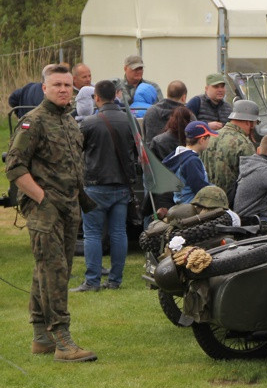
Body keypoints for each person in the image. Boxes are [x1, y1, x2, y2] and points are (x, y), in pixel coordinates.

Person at [5, 64, 97, 362]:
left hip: (70, 208)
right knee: (54, 272)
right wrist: (41, 198)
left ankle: (41, 337)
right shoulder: (34, 122)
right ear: (44, 88)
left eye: (67, 85)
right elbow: (14, 167)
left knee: (49, 269)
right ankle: (62, 340)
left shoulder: (69, 122)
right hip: (45, 210)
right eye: (56, 84)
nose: (62, 89)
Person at [71, 80, 138, 293]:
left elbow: (77, 152)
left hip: (95, 184)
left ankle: (92, 281)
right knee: (119, 232)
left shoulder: (89, 123)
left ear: (96, 98)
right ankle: (115, 280)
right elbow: (136, 153)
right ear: (116, 95)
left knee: (92, 234)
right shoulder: (131, 121)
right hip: (122, 185)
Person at [201, 99, 260, 205]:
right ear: (249, 122)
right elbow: (253, 179)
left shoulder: (210, 137)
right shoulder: (243, 143)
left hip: (207, 202)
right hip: (231, 205)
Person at [164, 121, 217, 204]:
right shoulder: (192, 161)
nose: (209, 141)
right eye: (208, 137)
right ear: (202, 140)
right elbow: (200, 189)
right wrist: (217, 189)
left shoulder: (178, 155)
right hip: (192, 207)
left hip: (181, 204)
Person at [142, 80, 191, 145]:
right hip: (180, 154)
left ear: (167, 94)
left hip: (153, 153)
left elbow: (145, 137)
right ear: (183, 98)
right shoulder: (187, 115)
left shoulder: (150, 111)